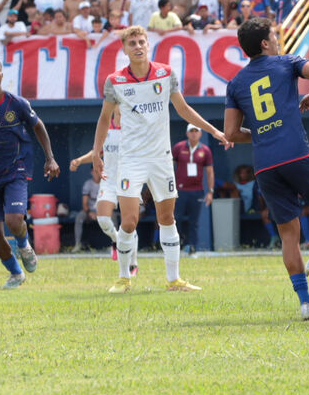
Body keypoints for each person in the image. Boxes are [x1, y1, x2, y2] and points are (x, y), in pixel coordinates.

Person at [223, 18, 309, 321]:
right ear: (265, 43)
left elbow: (231, 133)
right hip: (295, 153)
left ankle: (306, 303)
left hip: (264, 164)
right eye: (274, 36)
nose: (278, 40)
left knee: (288, 234)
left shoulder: (236, 83)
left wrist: (261, 133)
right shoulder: (287, 62)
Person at [93, 26, 230, 294]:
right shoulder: (115, 81)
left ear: (148, 44)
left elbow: (183, 109)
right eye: (132, 43)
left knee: (166, 218)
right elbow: (104, 118)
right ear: (124, 49)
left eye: (141, 41)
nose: (138, 46)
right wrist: (97, 153)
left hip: (161, 159)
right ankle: (123, 278)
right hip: (130, 159)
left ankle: (174, 280)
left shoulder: (166, 73)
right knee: (129, 221)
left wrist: (214, 131)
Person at [0, 57, 59, 288]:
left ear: (2, 75)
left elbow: (38, 126)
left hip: (16, 170)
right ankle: (16, 273)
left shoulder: (17, 103)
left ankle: (24, 244)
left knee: (14, 221)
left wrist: (50, 158)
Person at [69, 105, 138, 272]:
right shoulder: (105, 127)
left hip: (128, 180)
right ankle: (116, 240)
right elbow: (96, 152)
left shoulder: (133, 128)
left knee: (129, 224)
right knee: (103, 220)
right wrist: (79, 160)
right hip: (108, 181)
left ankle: (133, 263)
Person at [172, 124, 214, 256]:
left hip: (197, 190)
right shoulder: (179, 147)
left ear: (200, 134)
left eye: (196, 131)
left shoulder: (205, 150)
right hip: (180, 190)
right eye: (192, 131)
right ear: (187, 133)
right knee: (176, 219)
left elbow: (210, 172)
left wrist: (210, 191)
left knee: (194, 221)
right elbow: (169, 167)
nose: (194, 134)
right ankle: (176, 248)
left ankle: (192, 249)